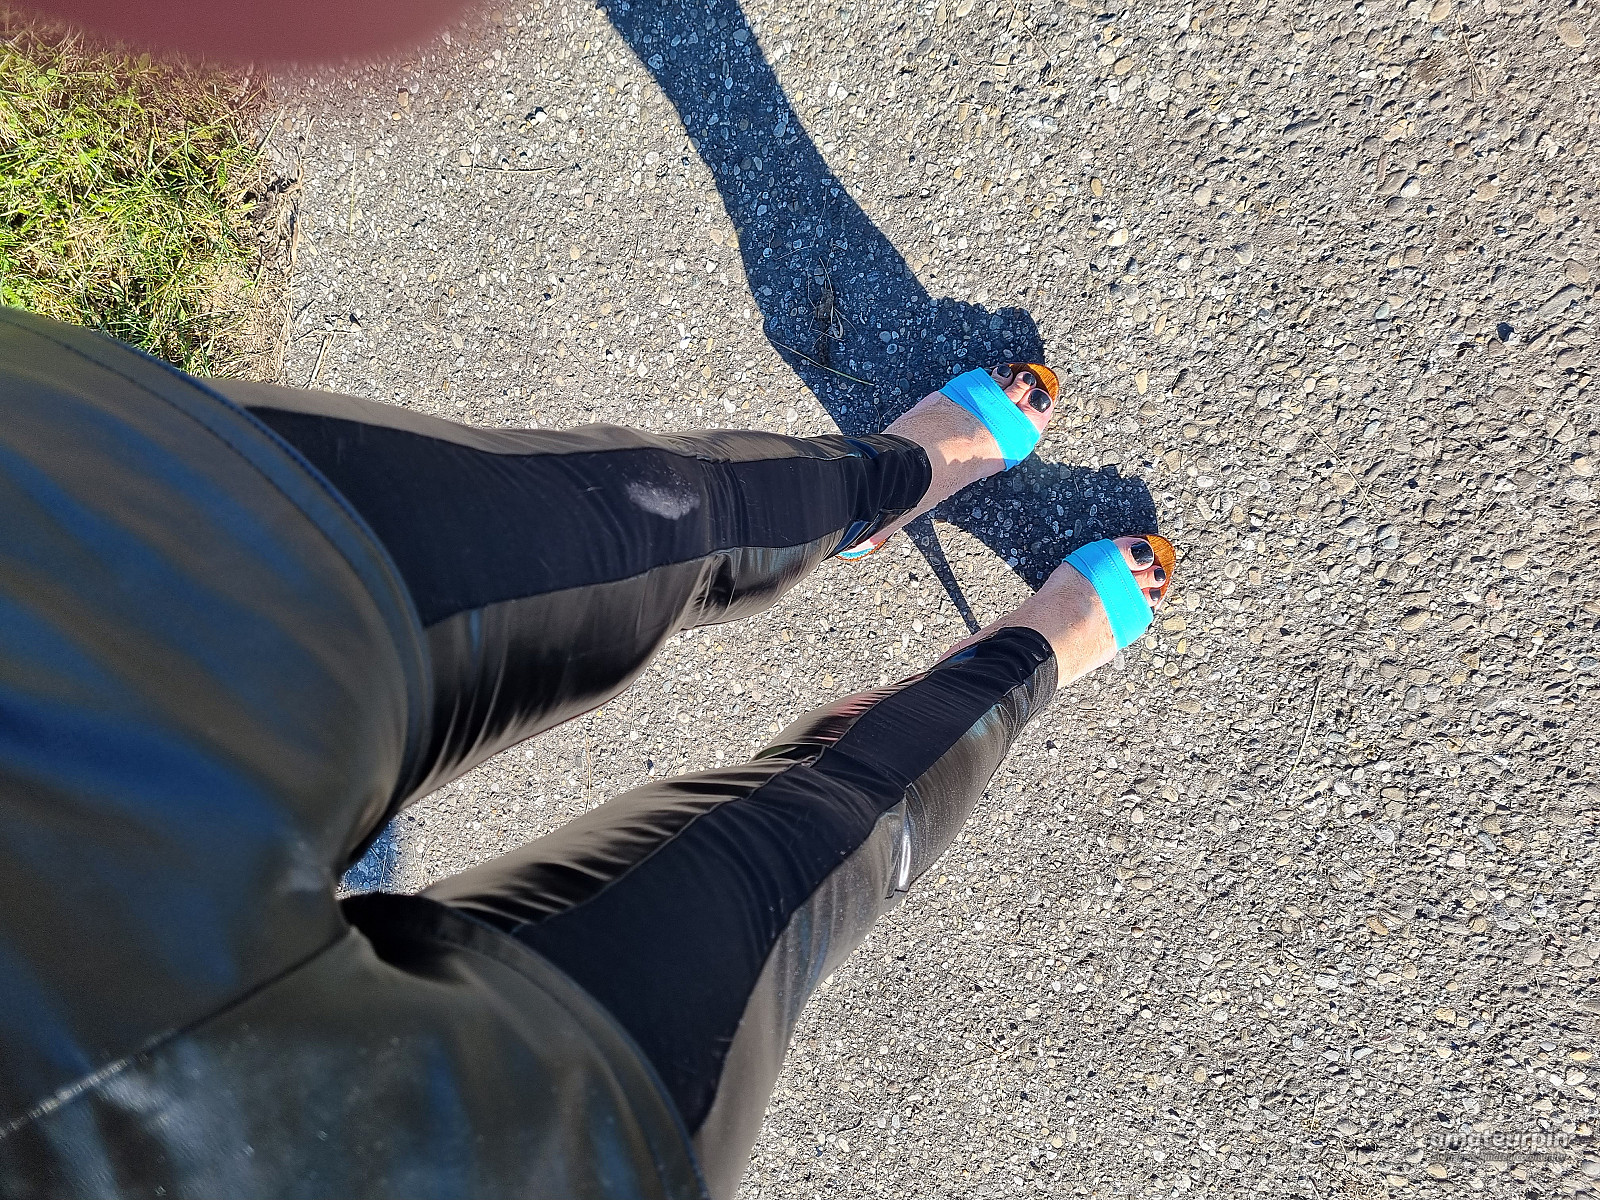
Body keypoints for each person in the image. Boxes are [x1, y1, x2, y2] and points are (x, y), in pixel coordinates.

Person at [0, 308, 1174, 1198]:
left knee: (648, 519)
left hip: (59, 637)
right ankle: (1012, 667)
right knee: (807, 847)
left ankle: (878, 481)